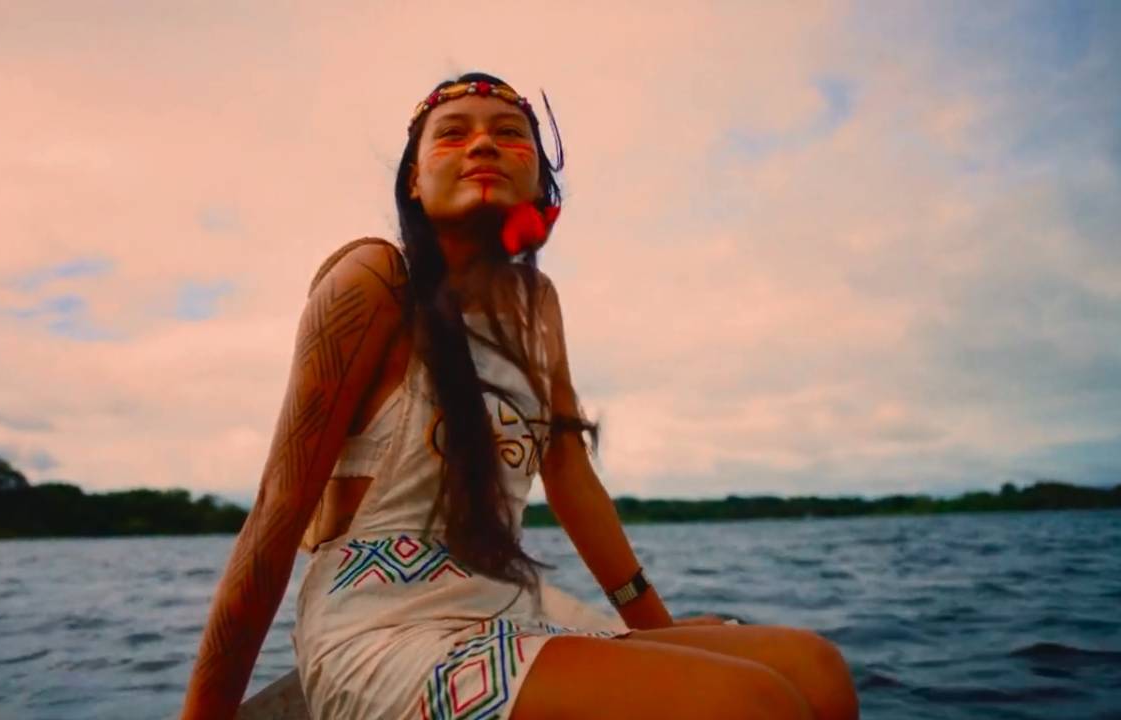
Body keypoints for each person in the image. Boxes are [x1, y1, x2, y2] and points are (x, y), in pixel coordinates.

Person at [180, 71, 859, 720]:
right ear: (413, 180)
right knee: (753, 707)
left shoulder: (537, 306)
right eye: (451, 133)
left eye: (510, 133)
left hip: (510, 609)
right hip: (381, 629)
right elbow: (278, 505)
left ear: (538, 178)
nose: (481, 143)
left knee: (815, 667)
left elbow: (568, 474)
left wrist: (658, 630)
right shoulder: (376, 279)